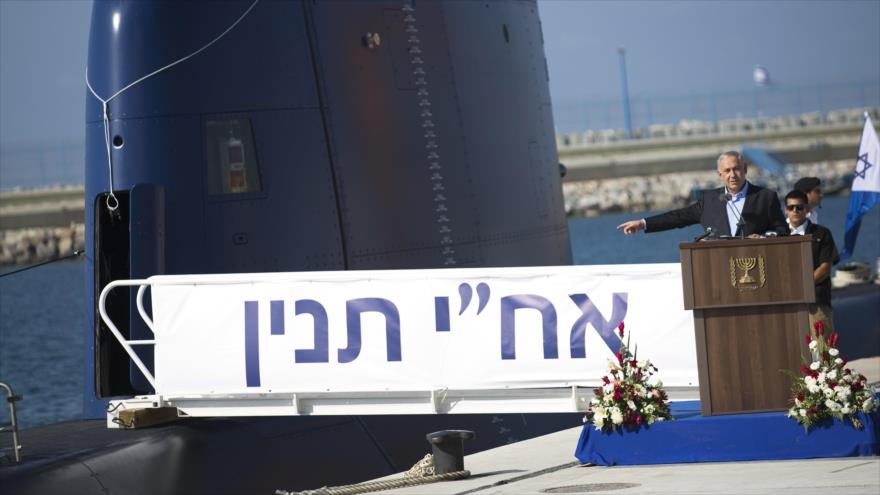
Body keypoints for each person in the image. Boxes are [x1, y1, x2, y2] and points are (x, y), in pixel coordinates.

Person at [617, 151, 787, 238]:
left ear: (745, 170)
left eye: (736, 169)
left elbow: (782, 230)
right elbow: (678, 217)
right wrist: (642, 223)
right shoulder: (709, 200)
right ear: (720, 175)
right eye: (727, 171)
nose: (732, 175)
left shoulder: (765, 197)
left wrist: (764, 237)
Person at [784, 189, 839, 332]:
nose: (795, 211)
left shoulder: (822, 233)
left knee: (823, 349)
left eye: (799, 207)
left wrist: (801, 286)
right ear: (785, 210)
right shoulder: (778, 236)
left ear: (807, 209)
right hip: (787, 304)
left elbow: (825, 269)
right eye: (791, 207)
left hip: (817, 303)